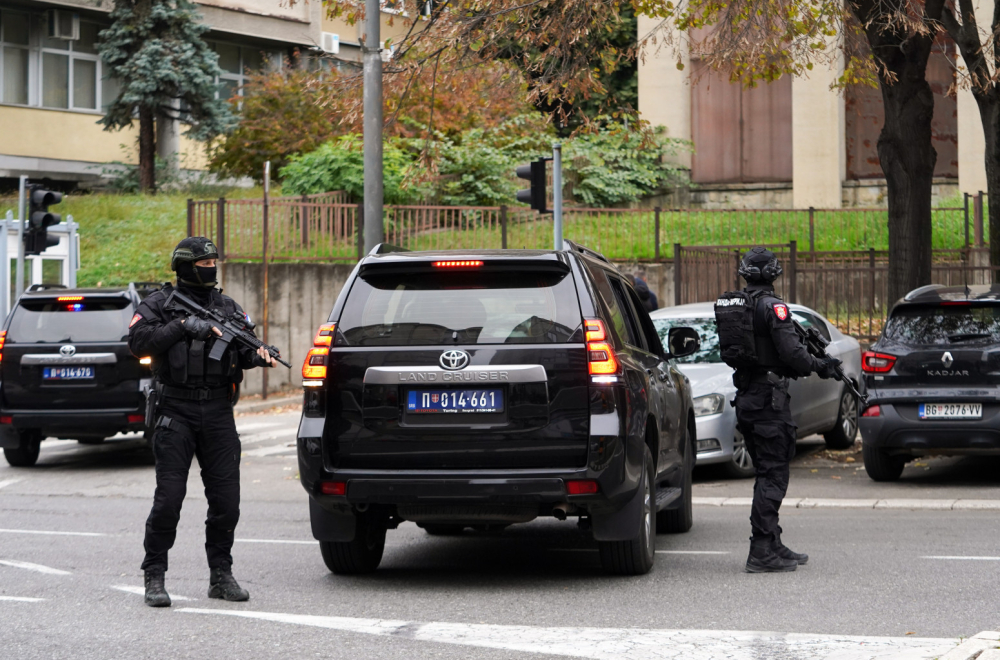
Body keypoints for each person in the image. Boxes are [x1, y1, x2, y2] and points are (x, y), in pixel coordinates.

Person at [129, 237, 275, 607]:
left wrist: (258, 355)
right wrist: (182, 327)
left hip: (218, 412)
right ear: (184, 266)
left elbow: (244, 348)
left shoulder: (227, 306)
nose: (211, 267)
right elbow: (138, 343)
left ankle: (221, 575)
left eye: (214, 261)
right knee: (169, 500)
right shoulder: (158, 305)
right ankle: (155, 575)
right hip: (174, 411)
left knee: (227, 502)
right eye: (203, 262)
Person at [716, 247, 839, 573]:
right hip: (768, 402)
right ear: (774, 273)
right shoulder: (774, 308)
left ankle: (771, 542)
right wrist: (822, 365)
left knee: (766, 474)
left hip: (747, 398)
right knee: (773, 475)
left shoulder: (741, 307)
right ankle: (761, 551)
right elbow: (793, 355)